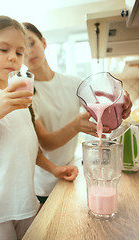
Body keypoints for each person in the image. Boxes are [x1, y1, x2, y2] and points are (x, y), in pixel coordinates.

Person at [0, 16, 78, 240]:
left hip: (25, 204)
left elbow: (25, 144)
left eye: (19, 52)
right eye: (3, 49)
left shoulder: (22, 95)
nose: (13, 57)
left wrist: (53, 168)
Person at [22, 22, 132, 205]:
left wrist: (120, 105)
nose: (28, 53)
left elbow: (102, 107)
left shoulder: (73, 83)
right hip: (44, 184)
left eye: (31, 43)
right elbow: (46, 143)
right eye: (21, 50)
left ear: (43, 42)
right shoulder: (27, 94)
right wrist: (76, 126)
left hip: (71, 172)